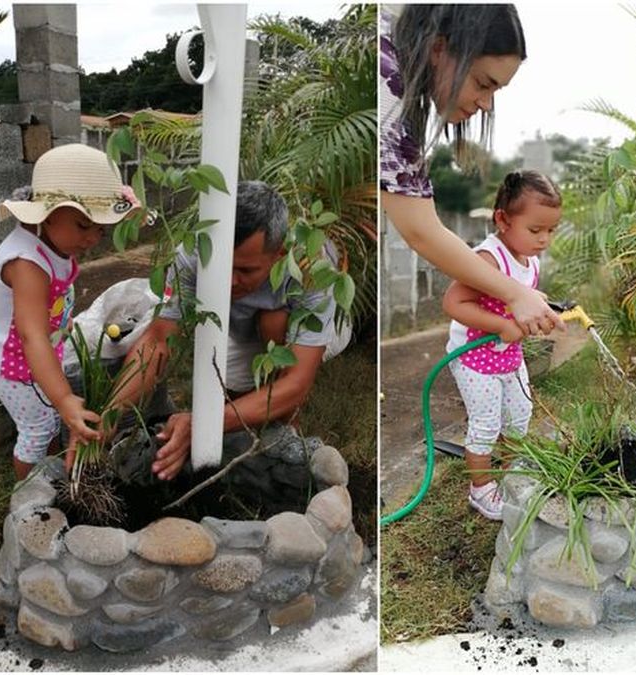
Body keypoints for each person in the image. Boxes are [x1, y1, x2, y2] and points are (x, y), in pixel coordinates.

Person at [105, 181, 349, 480]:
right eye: (221, 267)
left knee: (273, 325)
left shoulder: (313, 266)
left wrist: (204, 423)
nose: (229, 282)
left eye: (245, 270)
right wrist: (110, 417)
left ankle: (290, 439)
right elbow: (158, 339)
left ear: (279, 252)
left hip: (313, 334)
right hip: (237, 328)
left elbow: (296, 382)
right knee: (234, 405)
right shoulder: (193, 252)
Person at [380, 4, 563, 337]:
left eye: (495, 91)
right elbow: (420, 230)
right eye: (482, 83)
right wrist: (515, 294)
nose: (487, 104)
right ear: (438, 48)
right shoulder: (388, 90)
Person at [0, 143, 141, 481]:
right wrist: (65, 397)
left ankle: (49, 467)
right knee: (37, 426)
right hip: (10, 359)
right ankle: (29, 494)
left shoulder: (54, 241)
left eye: (100, 228)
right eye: (84, 225)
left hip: (35, 351)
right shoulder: (27, 264)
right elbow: (31, 335)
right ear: (47, 214)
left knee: (50, 417)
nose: (92, 238)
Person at [442, 170, 561, 519]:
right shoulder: (488, 259)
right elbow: (453, 304)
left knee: (519, 418)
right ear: (503, 220)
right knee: (485, 424)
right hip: (474, 360)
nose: (544, 240)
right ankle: (481, 490)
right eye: (535, 230)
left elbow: (520, 303)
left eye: (551, 230)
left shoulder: (530, 260)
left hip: (509, 357)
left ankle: (509, 479)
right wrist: (502, 325)